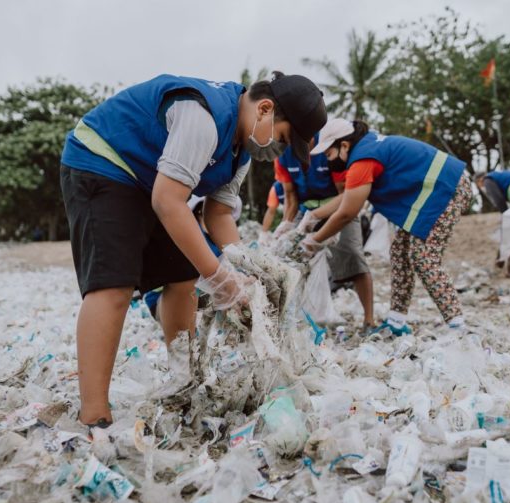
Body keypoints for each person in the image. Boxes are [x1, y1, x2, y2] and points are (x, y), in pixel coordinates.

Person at [59, 71, 326, 427]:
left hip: (150, 183)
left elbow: (217, 214)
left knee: (184, 275)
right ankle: (93, 416)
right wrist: (218, 279)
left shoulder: (239, 152)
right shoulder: (204, 117)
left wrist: (246, 270)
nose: (277, 150)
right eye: (282, 138)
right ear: (265, 109)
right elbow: (169, 202)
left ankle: (182, 378)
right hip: (102, 162)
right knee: (114, 286)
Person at [298, 118, 471, 334]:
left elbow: (347, 213)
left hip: (447, 188)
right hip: (435, 191)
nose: (328, 159)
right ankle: (396, 322)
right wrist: (313, 215)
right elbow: (347, 199)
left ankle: (458, 325)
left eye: (329, 153)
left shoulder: (362, 159)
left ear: (344, 145)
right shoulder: (366, 149)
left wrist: (314, 240)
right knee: (399, 252)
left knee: (424, 256)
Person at [275, 136, 375, 329]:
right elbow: (291, 196)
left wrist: (333, 224)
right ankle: (294, 319)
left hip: (338, 207)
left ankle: (369, 320)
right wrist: (286, 224)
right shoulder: (283, 155)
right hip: (305, 212)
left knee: (354, 256)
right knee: (290, 259)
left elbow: (344, 194)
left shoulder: (327, 147)